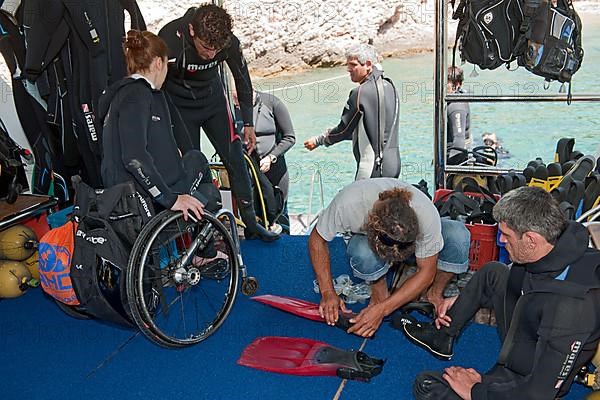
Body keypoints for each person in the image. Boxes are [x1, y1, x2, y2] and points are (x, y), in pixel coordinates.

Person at [406, 186, 600, 400]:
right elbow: (528, 280)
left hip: (527, 380)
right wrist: (461, 298)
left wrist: (476, 391)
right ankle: (442, 338)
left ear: (531, 239)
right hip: (528, 328)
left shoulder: (573, 306)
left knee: (426, 385)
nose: (501, 241)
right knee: (493, 271)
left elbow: (539, 393)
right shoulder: (559, 245)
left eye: (506, 235)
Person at [158, 4, 278, 241]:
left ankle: (251, 223)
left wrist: (249, 124)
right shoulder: (170, 38)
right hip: (180, 108)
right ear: (192, 30)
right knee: (193, 169)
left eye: (216, 50)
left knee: (237, 161)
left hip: (213, 102)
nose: (211, 55)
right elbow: (154, 85)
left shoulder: (228, 42)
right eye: (206, 48)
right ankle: (201, 236)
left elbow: (242, 78)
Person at [309, 178, 471, 338]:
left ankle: (434, 294)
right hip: (366, 241)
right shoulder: (347, 204)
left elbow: (426, 272)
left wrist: (383, 310)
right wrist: (328, 292)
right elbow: (317, 240)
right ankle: (379, 295)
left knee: (458, 235)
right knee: (363, 252)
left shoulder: (426, 214)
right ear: (372, 223)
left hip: (413, 242)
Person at [303, 44, 400, 180]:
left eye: (353, 65)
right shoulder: (390, 86)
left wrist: (319, 140)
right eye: (348, 65)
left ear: (368, 64)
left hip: (372, 166)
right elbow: (372, 130)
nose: (349, 70)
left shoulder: (360, 93)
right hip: (393, 164)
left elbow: (344, 130)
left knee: (364, 201)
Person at [233, 89, 296, 231]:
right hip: (249, 172)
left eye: (238, 99)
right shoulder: (231, 109)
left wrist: (271, 157)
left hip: (275, 168)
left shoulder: (272, 103)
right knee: (254, 217)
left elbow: (290, 137)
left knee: (279, 214)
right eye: (234, 101)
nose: (237, 105)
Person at [447, 66, 471, 160]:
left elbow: (458, 141)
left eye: (445, 83)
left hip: (452, 161)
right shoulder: (451, 103)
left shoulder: (456, 107)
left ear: (456, 84)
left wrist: (450, 170)